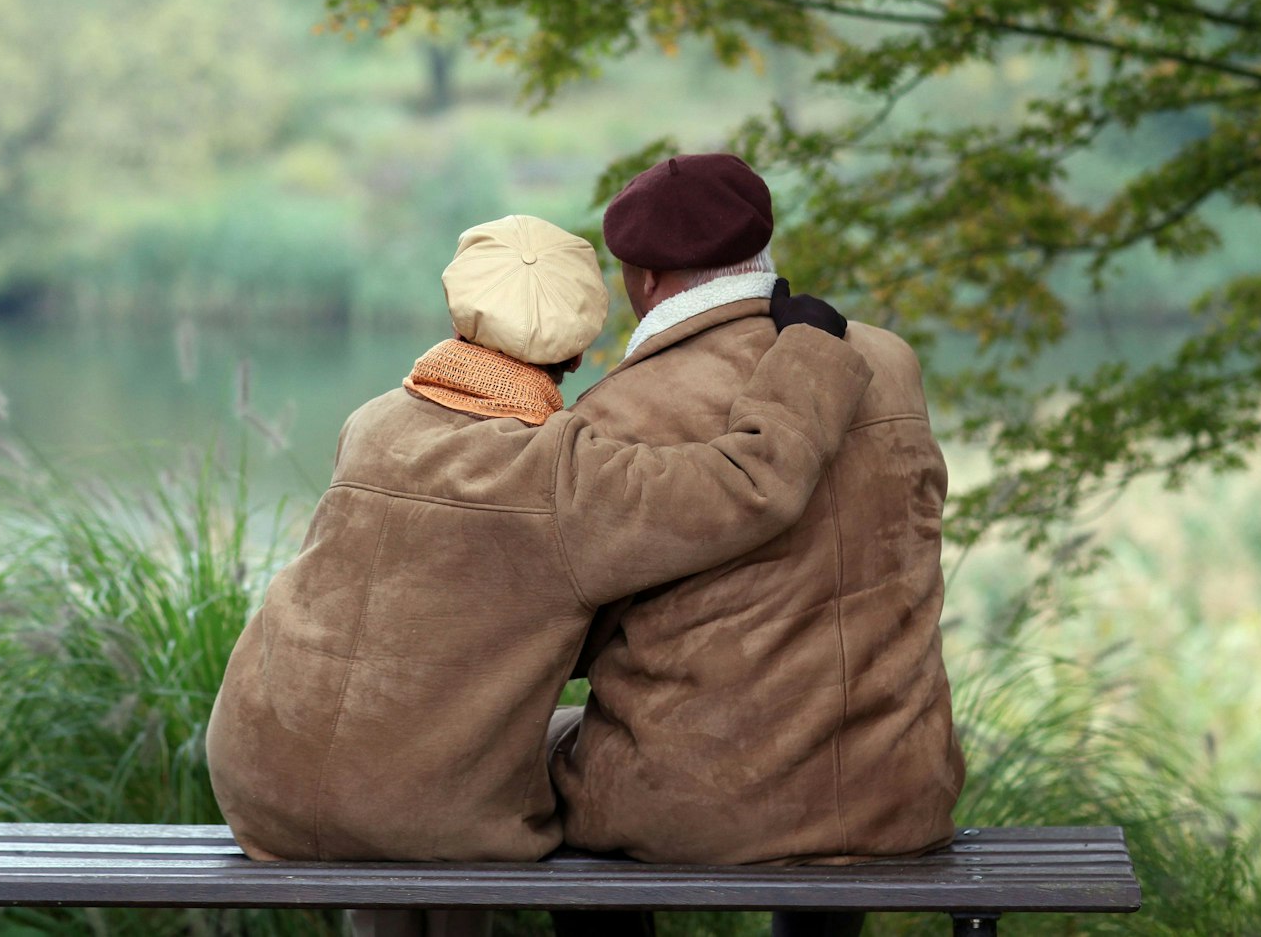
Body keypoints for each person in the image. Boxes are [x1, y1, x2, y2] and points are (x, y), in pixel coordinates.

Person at [204, 214, 872, 936]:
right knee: (548, 756)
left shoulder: (370, 425)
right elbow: (751, 483)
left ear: (460, 310)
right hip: (419, 808)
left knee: (405, 749)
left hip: (260, 777)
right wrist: (807, 350)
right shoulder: (569, 474)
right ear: (581, 351)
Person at [549, 155, 965, 936]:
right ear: (759, 248)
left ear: (641, 279)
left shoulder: (622, 409)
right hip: (899, 789)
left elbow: (573, 627)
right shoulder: (888, 361)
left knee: (538, 767)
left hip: (699, 807)